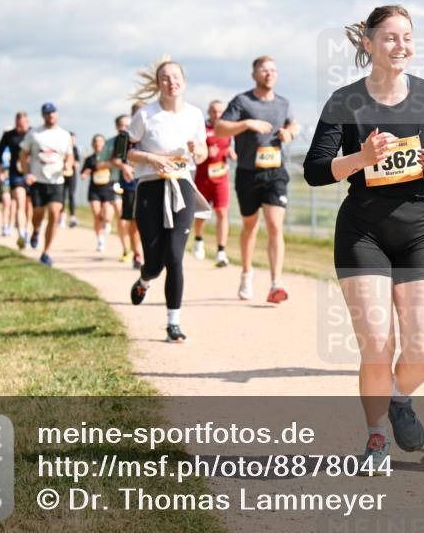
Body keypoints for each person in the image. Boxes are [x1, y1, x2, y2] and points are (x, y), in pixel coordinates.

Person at [303, 5, 424, 469]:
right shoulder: (344, 101)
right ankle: (377, 438)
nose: (401, 46)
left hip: (419, 226)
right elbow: (315, 170)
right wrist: (360, 157)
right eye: (391, 38)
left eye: (408, 37)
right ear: (369, 44)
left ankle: (399, 398)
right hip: (363, 230)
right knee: (377, 344)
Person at [126, 58, 208, 343]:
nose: (171, 82)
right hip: (150, 188)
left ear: (184, 82)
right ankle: (145, 279)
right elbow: (129, 153)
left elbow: (203, 154)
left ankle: (173, 323)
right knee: (155, 261)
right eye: (165, 78)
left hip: (182, 187)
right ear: (158, 83)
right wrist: (151, 158)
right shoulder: (146, 115)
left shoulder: (195, 115)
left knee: (174, 256)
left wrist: (198, 150)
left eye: (175, 77)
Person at [215, 55, 299, 302]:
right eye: (264, 70)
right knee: (250, 226)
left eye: (273, 70)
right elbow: (220, 129)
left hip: (275, 173)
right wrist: (247, 123)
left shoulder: (283, 103)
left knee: (275, 225)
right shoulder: (242, 101)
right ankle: (246, 274)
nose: (269, 74)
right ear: (254, 74)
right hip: (248, 173)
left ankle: (276, 283)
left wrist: (289, 134)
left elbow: (294, 125)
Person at [19, 102, 74, 266]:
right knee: (37, 214)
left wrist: (68, 165)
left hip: (56, 180)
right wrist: (26, 173)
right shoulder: (34, 133)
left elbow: (69, 156)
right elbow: (23, 154)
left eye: (53, 113)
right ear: (43, 115)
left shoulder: (64, 135)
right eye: (47, 113)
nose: (51, 116)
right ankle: (35, 231)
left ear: (57, 114)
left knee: (54, 213)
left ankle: (46, 252)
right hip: (38, 180)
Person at [192, 99, 237, 267]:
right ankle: (198, 239)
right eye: (214, 111)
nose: (217, 115)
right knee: (201, 213)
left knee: (222, 213)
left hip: (221, 179)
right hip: (203, 178)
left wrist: (231, 152)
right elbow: (194, 154)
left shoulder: (228, 130)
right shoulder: (202, 130)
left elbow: (230, 148)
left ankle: (221, 252)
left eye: (220, 112)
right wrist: (205, 152)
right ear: (209, 112)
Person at [109, 109, 144, 268]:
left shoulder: (145, 135)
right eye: (122, 126)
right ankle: (137, 254)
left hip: (147, 181)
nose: (125, 128)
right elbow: (116, 159)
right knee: (133, 220)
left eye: (127, 125)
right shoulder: (122, 139)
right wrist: (124, 167)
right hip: (130, 185)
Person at [0, 112, 33, 249]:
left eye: (25, 123)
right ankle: (21, 234)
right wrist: (0, 172)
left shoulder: (33, 133)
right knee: (20, 203)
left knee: (30, 205)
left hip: (32, 173)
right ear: (16, 123)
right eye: (20, 124)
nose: (23, 126)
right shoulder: (9, 135)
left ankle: (28, 230)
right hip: (16, 173)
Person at [80, 134, 117, 252]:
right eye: (95, 142)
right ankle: (100, 241)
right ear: (93, 144)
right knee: (96, 216)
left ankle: (107, 223)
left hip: (107, 188)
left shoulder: (109, 157)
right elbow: (83, 173)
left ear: (104, 144)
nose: (98, 144)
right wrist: (85, 174)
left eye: (100, 142)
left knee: (107, 214)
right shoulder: (89, 159)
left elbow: (115, 169)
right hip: (94, 190)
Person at [61, 131, 81, 228]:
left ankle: (72, 217)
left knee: (71, 195)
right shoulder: (62, 149)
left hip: (72, 175)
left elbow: (77, 163)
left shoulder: (75, 149)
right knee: (62, 195)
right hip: (62, 175)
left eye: (73, 139)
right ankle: (61, 217)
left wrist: (73, 163)